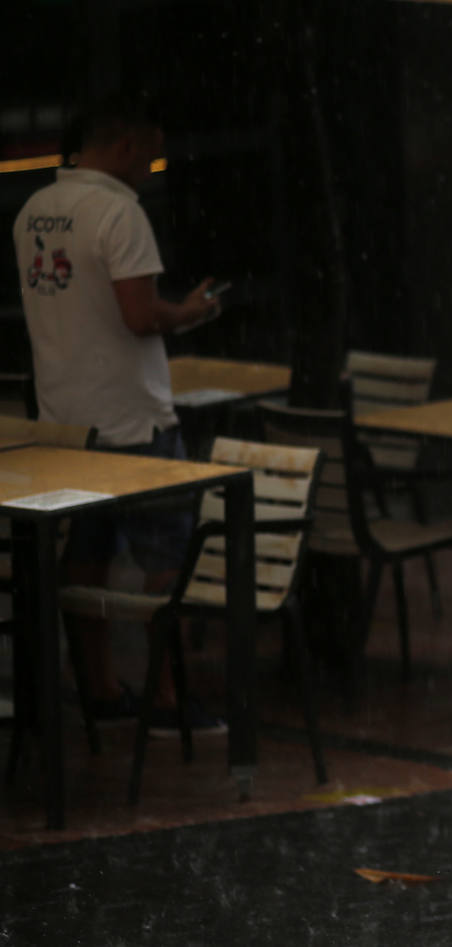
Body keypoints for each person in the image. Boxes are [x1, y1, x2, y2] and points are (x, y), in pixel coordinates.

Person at [12, 94, 224, 733]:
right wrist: (189, 313)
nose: (152, 166)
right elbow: (138, 317)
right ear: (127, 145)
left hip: (67, 423)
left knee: (86, 560)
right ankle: (166, 699)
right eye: (151, 153)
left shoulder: (34, 212)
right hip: (135, 421)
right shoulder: (118, 213)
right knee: (166, 562)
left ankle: (100, 691)